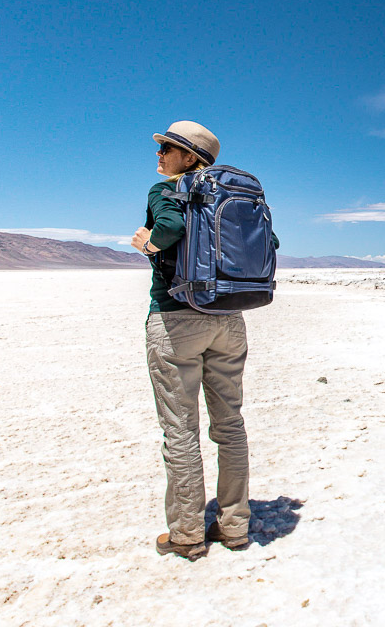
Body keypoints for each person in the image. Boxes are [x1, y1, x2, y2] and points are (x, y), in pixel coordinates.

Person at [131, 120, 275, 560]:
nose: (159, 155)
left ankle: (187, 535)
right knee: (230, 425)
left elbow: (171, 226)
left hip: (178, 321)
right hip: (229, 318)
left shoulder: (167, 190)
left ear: (190, 157)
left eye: (167, 149)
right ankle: (234, 526)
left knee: (181, 431)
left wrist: (149, 244)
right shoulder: (235, 196)